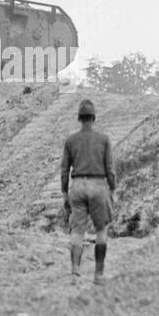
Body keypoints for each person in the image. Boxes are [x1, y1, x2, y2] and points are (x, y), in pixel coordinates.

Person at [60, 99, 116, 285]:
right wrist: (112, 189)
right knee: (101, 230)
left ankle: (75, 273)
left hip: (77, 185)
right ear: (93, 118)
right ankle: (98, 275)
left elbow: (64, 170)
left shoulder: (71, 140)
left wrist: (65, 194)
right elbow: (110, 169)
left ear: (79, 118)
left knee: (77, 230)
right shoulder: (104, 139)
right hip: (98, 185)